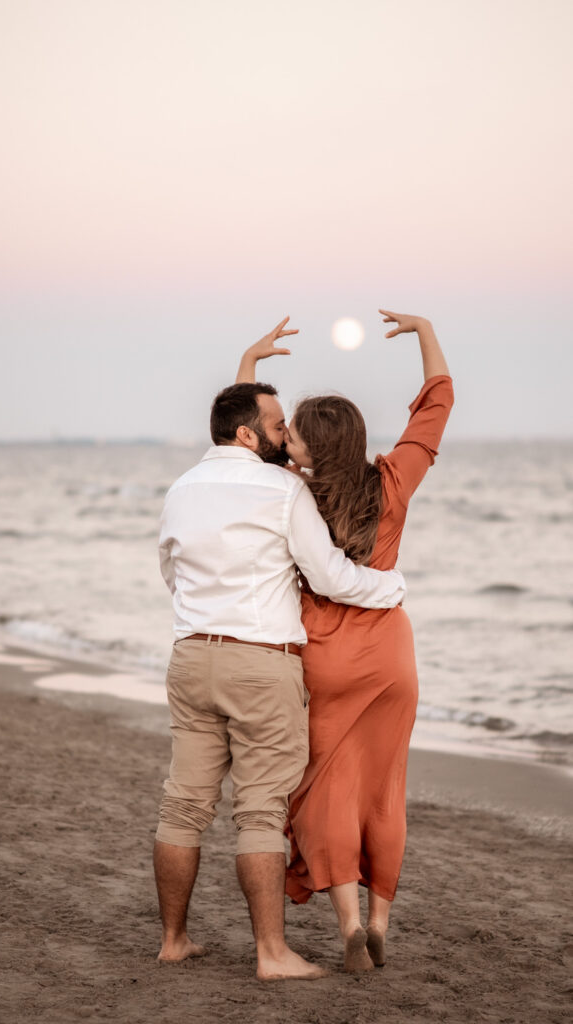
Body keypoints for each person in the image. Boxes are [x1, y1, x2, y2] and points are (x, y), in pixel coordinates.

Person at [155, 319, 408, 981]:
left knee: (184, 803)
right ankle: (272, 954)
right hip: (259, 662)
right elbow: (327, 576)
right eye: (275, 427)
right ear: (248, 435)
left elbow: (169, 570)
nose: (283, 436)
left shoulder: (181, 488)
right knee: (261, 809)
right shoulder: (283, 488)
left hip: (189, 656)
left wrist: (247, 364)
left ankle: (173, 940)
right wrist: (390, 585)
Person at [236, 309, 453, 973]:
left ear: (306, 449)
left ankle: (351, 924)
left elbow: (240, 434)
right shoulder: (392, 481)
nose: (288, 443)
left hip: (325, 655)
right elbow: (436, 406)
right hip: (390, 657)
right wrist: (424, 333)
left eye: (295, 436)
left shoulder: (289, 488)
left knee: (325, 788)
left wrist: (250, 361)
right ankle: (382, 916)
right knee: (384, 789)